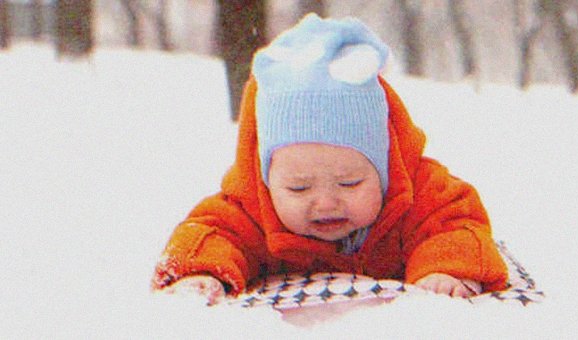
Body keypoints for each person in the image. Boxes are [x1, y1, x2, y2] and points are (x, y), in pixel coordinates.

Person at [152, 14, 508, 305]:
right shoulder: (255, 208)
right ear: (266, 179)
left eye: (349, 182)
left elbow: (456, 222)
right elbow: (213, 231)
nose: (325, 202)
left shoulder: (418, 192)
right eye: (298, 187)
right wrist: (202, 271)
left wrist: (446, 268)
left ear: (384, 165)